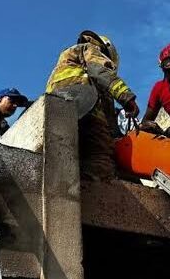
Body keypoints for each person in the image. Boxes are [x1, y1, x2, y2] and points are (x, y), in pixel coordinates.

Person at [46, 30, 139, 181]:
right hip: (88, 112)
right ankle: (94, 192)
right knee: (100, 159)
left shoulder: (64, 61)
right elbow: (100, 72)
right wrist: (126, 97)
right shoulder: (90, 50)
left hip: (58, 112)